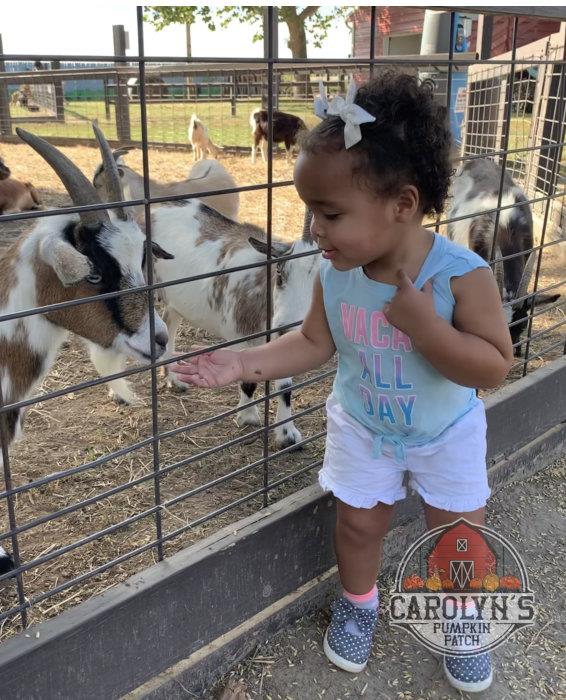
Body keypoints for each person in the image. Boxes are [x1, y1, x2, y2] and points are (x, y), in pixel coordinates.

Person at [172, 72, 513, 693]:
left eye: (329, 214)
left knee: (457, 532)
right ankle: (360, 603)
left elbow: (494, 366)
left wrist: (427, 330)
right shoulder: (336, 272)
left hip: (445, 431)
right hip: (362, 424)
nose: (314, 230)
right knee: (358, 524)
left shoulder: (461, 275)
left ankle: (461, 616)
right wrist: (244, 363)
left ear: (403, 205)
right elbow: (313, 343)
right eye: (310, 212)